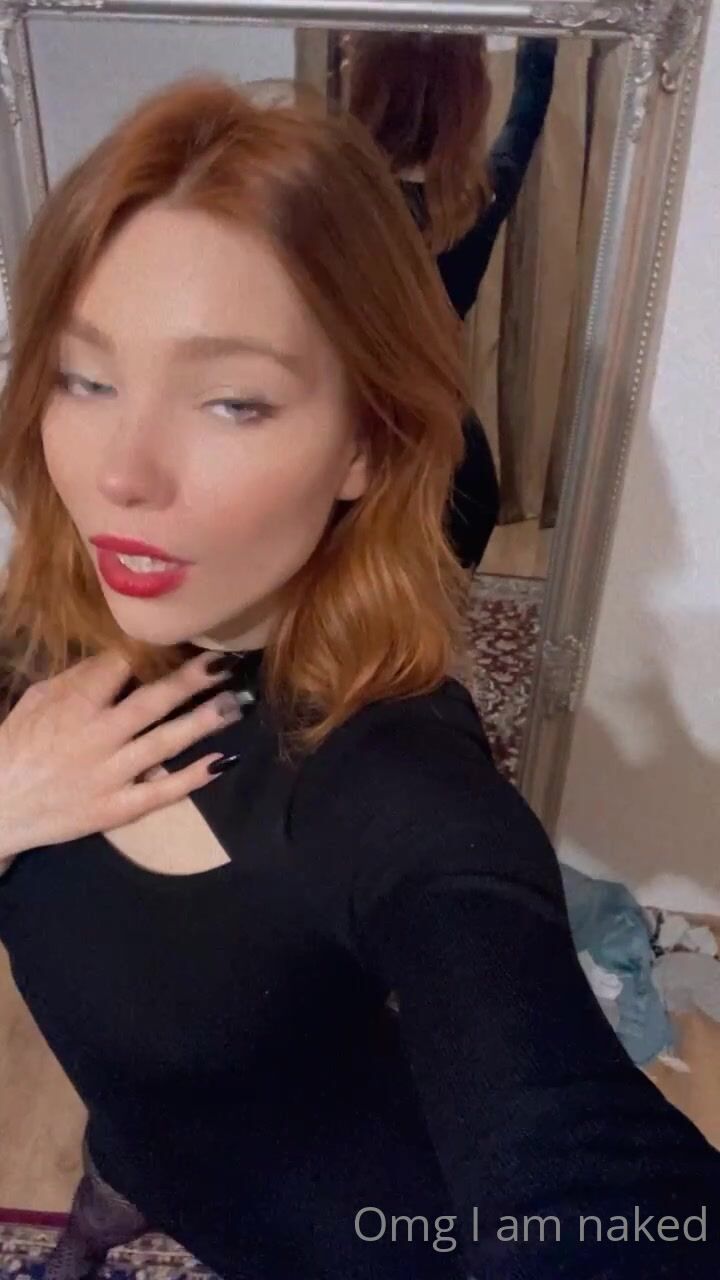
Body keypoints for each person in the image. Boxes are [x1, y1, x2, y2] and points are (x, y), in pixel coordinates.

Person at [0, 76, 717, 1280]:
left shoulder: (394, 784)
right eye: (85, 377)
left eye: (231, 400)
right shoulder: (39, 633)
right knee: (110, 1185)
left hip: (357, 1243)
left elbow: (574, 1164)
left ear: (367, 443)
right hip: (136, 1144)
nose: (120, 474)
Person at [348, 32, 558, 568]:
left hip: (356, 440)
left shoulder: (327, 198)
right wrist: (542, 29)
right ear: (469, 100)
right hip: (452, 462)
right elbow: (528, 108)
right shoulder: (481, 195)